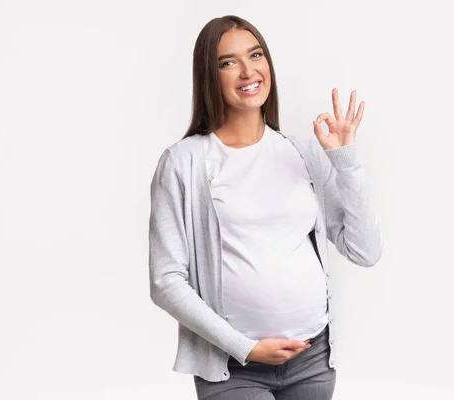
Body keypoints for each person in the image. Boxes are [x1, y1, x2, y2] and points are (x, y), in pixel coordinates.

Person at [149, 14, 383, 400]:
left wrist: (346, 160)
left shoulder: (302, 152)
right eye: (228, 62)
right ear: (210, 76)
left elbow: (365, 250)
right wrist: (245, 347)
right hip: (232, 369)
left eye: (255, 55)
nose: (247, 71)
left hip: (313, 360)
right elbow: (166, 282)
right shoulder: (184, 162)